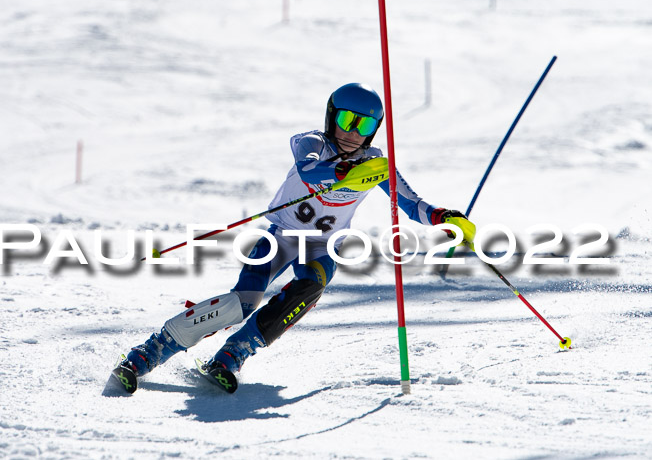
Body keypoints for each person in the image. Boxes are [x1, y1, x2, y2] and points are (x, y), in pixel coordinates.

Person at [117, 83, 474, 392]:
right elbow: (309, 168)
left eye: (364, 124)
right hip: (281, 236)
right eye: (346, 120)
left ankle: (232, 355)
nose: (352, 132)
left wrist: (445, 217)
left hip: (320, 246)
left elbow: (412, 204)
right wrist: (343, 170)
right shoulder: (311, 142)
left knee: (311, 287)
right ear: (331, 117)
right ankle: (148, 353)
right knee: (243, 302)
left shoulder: (376, 164)